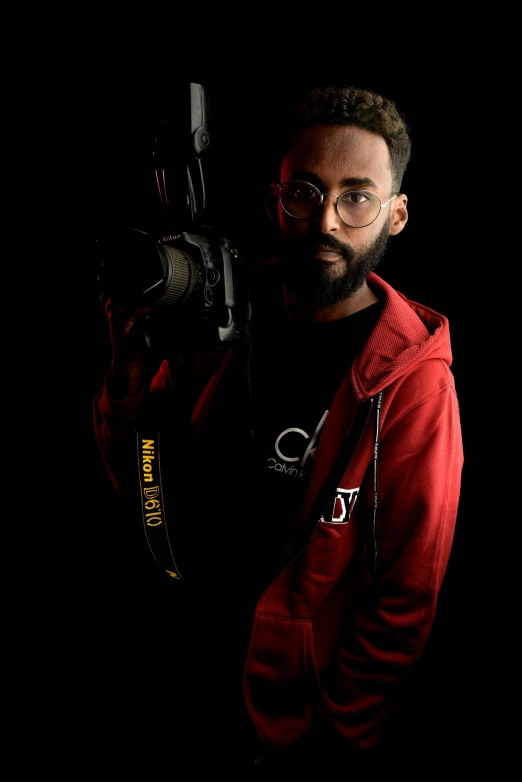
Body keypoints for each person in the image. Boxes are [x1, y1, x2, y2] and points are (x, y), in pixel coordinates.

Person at [92, 83, 464, 774]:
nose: (327, 220)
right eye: (306, 193)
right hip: (175, 675)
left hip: (287, 722)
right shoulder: (222, 319)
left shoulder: (413, 379)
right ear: (276, 202)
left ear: (397, 215)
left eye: (357, 197)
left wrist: (336, 742)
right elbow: (141, 486)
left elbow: (407, 596)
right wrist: (129, 378)